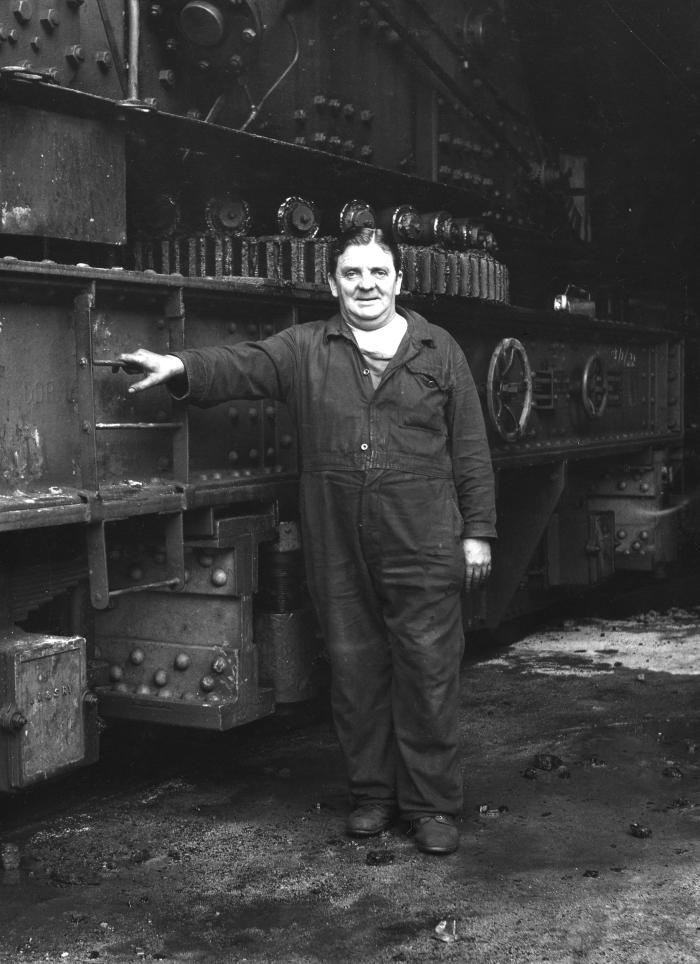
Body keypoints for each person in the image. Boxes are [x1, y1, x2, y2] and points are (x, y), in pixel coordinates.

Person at [119, 226, 496, 856]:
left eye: (379, 273)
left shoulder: (438, 349)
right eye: (352, 274)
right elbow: (245, 363)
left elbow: (472, 449)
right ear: (334, 284)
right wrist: (181, 365)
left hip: (424, 539)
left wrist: (478, 532)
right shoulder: (305, 348)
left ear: (400, 282)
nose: (366, 284)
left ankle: (431, 806)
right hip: (338, 543)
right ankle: (373, 797)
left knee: (429, 671)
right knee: (353, 670)